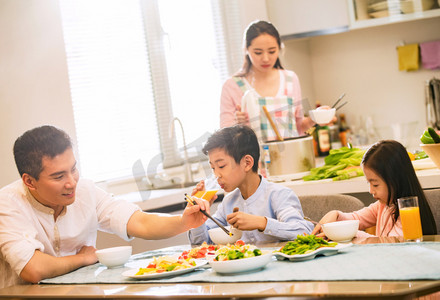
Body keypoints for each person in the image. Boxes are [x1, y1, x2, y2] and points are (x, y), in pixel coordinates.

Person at [0, 125, 210, 288]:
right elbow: (33, 269)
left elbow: (139, 222)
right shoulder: (8, 203)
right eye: (58, 176)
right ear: (29, 181)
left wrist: (183, 222)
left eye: (73, 169)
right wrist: (82, 259)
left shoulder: (85, 190)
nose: (71, 182)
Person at [188, 125, 314, 245]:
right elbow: (202, 243)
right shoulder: (228, 202)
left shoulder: (278, 195)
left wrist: (262, 223)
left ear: (247, 163)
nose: (216, 175)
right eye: (213, 168)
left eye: (221, 166)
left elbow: (303, 231)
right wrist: (199, 217)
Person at [220, 20, 328, 142]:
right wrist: (237, 125)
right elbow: (225, 141)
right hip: (255, 161)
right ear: (246, 49)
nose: (265, 58)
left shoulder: (290, 79)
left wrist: (314, 118)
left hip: (290, 157)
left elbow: (299, 127)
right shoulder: (232, 86)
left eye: (272, 51)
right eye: (258, 52)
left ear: (280, 48)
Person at [312, 140, 437, 239]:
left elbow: (390, 245)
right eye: (369, 183)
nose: (371, 190)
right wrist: (335, 214)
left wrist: (345, 233)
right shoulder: (382, 206)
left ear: (396, 180)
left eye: (375, 184)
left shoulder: (409, 212)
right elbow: (357, 218)